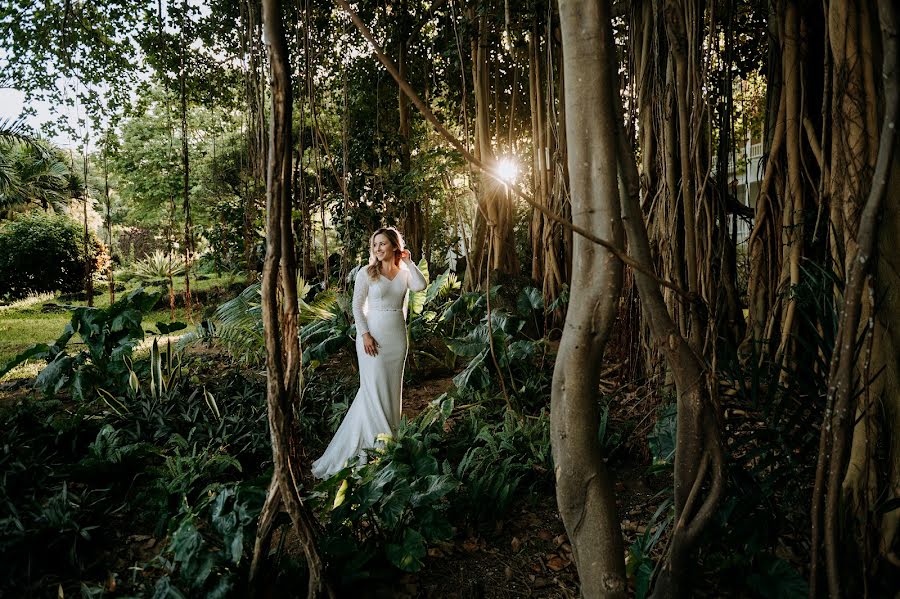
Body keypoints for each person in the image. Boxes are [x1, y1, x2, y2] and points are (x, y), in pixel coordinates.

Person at [311, 227, 427, 479]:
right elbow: (356, 305)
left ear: (395, 246)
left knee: (391, 390)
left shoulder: (404, 273)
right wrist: (364, 334)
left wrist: (409, 261)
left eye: (383, 244)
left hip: (397, 339)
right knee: (372, 390)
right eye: (375, 245)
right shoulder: (367, 272)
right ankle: (377, 448)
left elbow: (421, 285)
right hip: (371, 338)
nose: (378, 249)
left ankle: (390, 438)